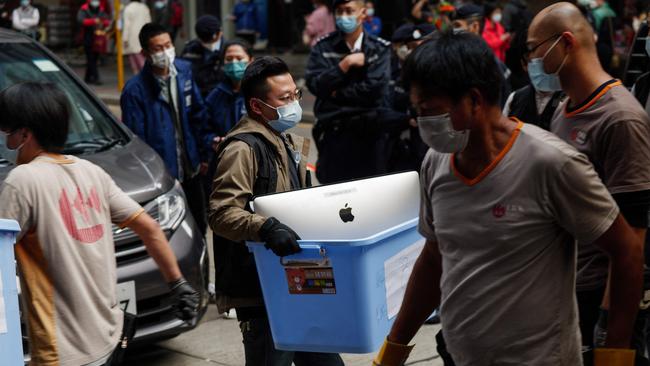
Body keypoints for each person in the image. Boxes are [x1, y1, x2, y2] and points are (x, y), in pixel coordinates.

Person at [372, 31, 643, 366]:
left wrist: (614, 356)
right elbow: (434, 257)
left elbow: (627, 250)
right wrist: (392, 352)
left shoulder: (550, 163)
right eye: (417, 109)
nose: (423, 121)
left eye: (430, 110)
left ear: (474, 99)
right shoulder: (436, 162)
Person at [0, 82, 200, 366]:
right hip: (108, 339)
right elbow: (150, 228)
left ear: (25, 133)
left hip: (61, 351)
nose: (6, 144)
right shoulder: (92, 173)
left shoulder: (22, 181)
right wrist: (178, 284)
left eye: (7, 133)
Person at [527, 3, 650, 365]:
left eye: (534, 49)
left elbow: (634, 237)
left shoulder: (620, 118)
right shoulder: (565, 108)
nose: (532, 60)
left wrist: (611, 329)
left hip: (601, 294)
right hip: (568, 285)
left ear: (565, 43)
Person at [208, 56, 343, 366]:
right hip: (262, 289)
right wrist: (266, 228)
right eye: (284, 98)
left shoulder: (285, 140)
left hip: (298, 280)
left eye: (295, 94)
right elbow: (221, 213)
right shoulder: (242, 148)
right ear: (257, 106)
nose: (294, 103)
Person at [120, 23, 209, 236]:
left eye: (168, 45)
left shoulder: (184, 72)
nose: (165, 52)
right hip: (164, 176)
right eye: (158, 48)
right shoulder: (135, 91)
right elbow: (137, 140)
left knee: (199, 224)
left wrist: (203, 155)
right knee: (171, 231)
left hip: (192, 168)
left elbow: (198, 115)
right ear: (145, 53)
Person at [306, 0, 394, 184]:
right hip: (334, 134)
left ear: (362, 13)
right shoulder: (323, 47)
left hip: (371, 136)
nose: (344, 16)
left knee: (373, 195)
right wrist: (343, 65)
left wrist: (336, 94)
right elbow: (316, 85)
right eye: (339, 11)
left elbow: (376, 91)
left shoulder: (380, 48)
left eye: (349, 11)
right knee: (334, 196)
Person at [451, 3, 510, 108]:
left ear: (475, 27)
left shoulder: (490, 63)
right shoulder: (457, 58)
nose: (454, 31)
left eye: (458, 26)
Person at [180, 15, 225, 98]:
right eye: (205, 41)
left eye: (212, 40)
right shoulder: (190, 50)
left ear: (220, 33)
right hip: (197, 96)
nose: (209, 44)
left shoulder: (228, 51)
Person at [77, 0, 110, 85]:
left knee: (94, 59)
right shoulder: (84, 9)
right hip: (87, 37)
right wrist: (93, 21)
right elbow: (80, 20)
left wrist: (104, 22)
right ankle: (96, 78)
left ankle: (87, 78)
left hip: (97, 38)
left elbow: (106, 20)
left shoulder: (100, 9)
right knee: (91, 58)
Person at [122, 0, 151, 75]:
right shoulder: (145, 8)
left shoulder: (128, 8)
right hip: (144, 36)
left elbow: (127, 25)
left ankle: (142, 81)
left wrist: (125, 39)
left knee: (135, 65)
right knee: (144, 60)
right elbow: (148, 22)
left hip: (132, 38)